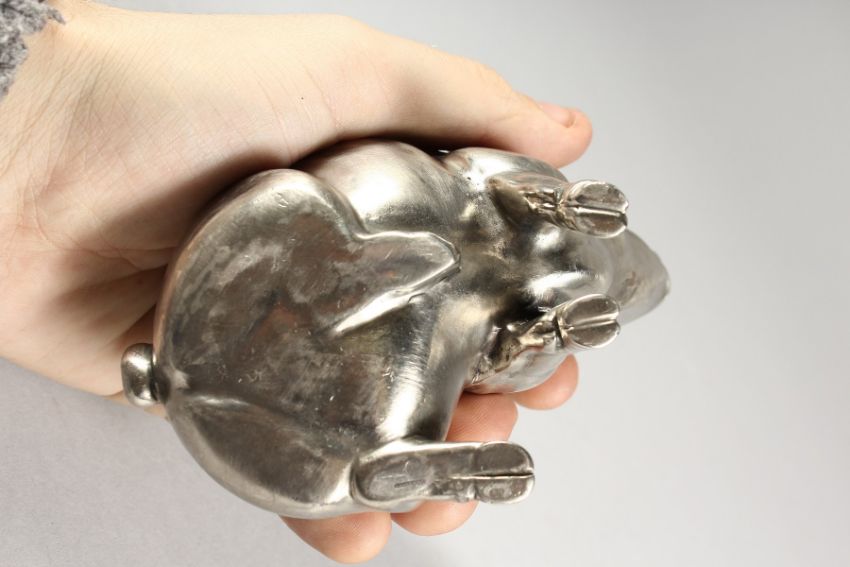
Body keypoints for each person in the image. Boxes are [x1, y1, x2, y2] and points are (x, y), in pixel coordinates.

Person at [0, 0, 592, 562]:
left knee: (358, 447)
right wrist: (44, 106)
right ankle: (376, 470)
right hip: (292, 308)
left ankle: (376, 470)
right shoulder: (459, 202)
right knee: (360, 450)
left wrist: (41, 114)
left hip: (255, 343)